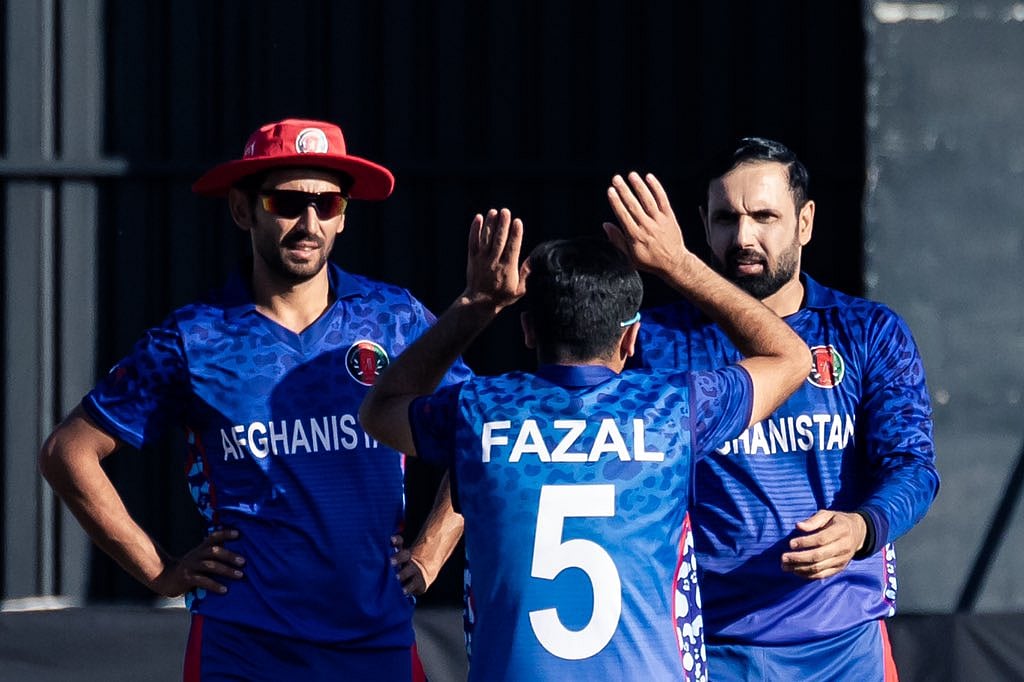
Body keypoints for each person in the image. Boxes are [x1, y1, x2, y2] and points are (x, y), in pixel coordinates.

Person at [38, 118, 470, 681]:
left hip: (377, 645)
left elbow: (480, 433)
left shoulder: (395, 319)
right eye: (286, 200)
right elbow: (68, 453)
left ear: (344, 215)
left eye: (328, 202)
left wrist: (432, 550)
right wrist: (160, 570)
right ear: (243, 210)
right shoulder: (194, 338)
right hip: (241, 651)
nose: (309, 222)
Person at [358, 172, 810, 680]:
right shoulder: (674, 409)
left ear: (527, 330)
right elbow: (791, 357)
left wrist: (477, 305)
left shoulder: (480, 410)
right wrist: (678, 264)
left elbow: (380, 408)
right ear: (631, 339)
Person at [632, 137, 940, 680]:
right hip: (711, 646)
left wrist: (861, 528)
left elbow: (912, 467)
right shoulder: (655, 343)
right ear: (702, 226)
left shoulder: (868, 331)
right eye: (726, 218)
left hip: (845, 647)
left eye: (764, 216)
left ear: (805, 222)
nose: (744, 237)